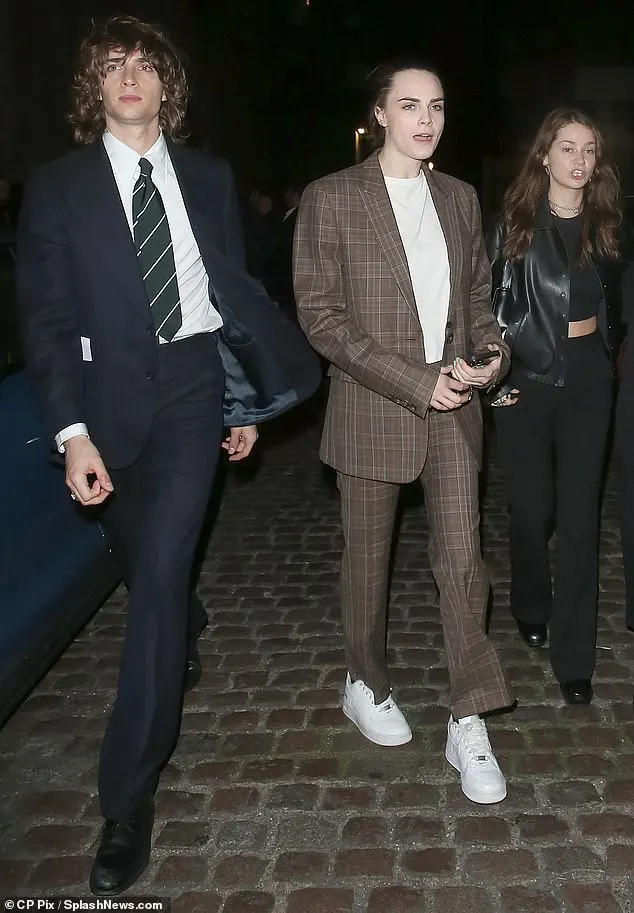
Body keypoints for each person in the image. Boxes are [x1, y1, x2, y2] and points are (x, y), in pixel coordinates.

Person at [17, 15, 320, 896]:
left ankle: (126, 798)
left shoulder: (210, 178)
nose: (129, 78)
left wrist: (243, 398)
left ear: (167, 86)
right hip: (104, 404)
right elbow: (43, 321)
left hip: (191, 392)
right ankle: (184, 617)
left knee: (152, 580)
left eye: (145, 65)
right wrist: (72, 434)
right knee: (140, 554)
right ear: (94, 87)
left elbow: (236, 291)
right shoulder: (59, 188)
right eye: (112, 66)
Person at [293, 57, 513, 805]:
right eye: (410, 105)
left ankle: (469, 713)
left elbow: (478, 296)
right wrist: (419, 380)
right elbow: (322, 317)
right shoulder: (331, 198)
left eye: (439, 106)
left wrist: (489, 352)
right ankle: (365, 678)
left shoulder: (459, 197)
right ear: (380, 114)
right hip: (373, 403)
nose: (427, 120)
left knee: (463, 560)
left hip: (457, 407)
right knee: (368, 563)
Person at [487, 108, 622, 705]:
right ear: (546, 155)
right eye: (567, 148)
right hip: (527, 378)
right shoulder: (513, 223)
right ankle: (529, 601)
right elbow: (483, 305)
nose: (578, 160)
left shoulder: (609, 224)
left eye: (589, 150)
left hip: (591, 376)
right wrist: (496, 378)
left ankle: (575, 659)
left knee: (579, 517)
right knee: (530, 510)